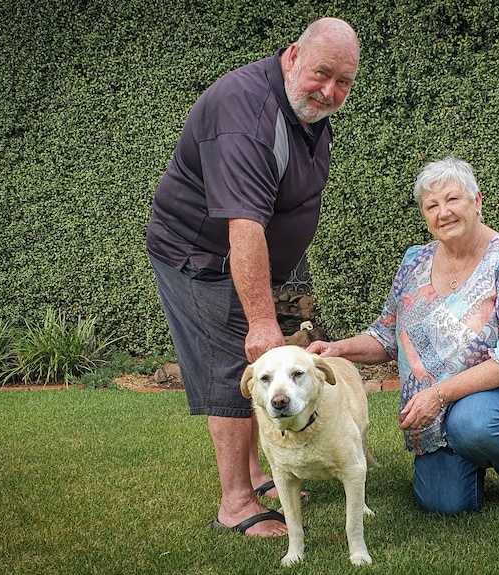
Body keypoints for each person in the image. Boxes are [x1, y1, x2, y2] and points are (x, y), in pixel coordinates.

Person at [145, 18, 360, 537]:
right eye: (321, 74)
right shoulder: (244, 113)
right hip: (202, 258)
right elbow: (243, 227)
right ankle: (236, 503)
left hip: (244, 260)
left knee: (254, 366)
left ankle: (259, 473)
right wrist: (262, 320)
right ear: (292, 56)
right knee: (230, 368)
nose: (330, 91)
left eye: (343, 83)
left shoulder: (305, 111)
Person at [307, 156, 499, 523]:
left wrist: (438, 395)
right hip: (439, 407)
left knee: (474, 423)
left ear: (477, 201)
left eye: (453, 199)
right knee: (442, 503)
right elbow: (386, 335)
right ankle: (475, 453)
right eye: (432, 205)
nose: (444, 212)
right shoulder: (414, 262)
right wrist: (337, 349)